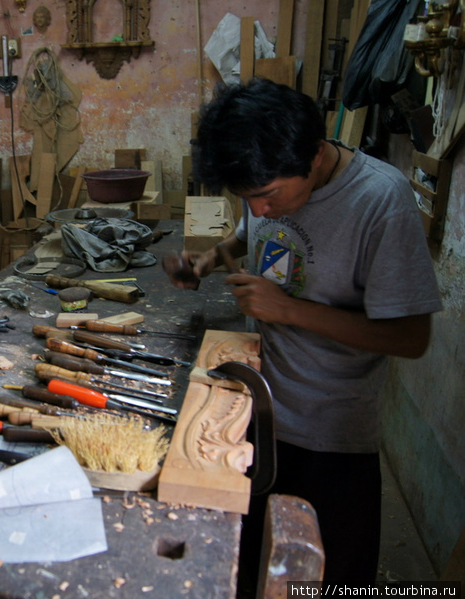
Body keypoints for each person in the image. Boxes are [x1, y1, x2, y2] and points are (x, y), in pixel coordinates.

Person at [167, 78, 442, 586]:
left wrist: (288, 310)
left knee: (324, 577)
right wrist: (207, 259)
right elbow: (254, 234)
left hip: (329, 438)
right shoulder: (272, 191)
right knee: (247, 572)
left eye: (266, 196)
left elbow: (411, 337)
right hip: (251, 414)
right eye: (246, 197)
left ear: (314, 156)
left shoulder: (380, 201)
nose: (259, 209)